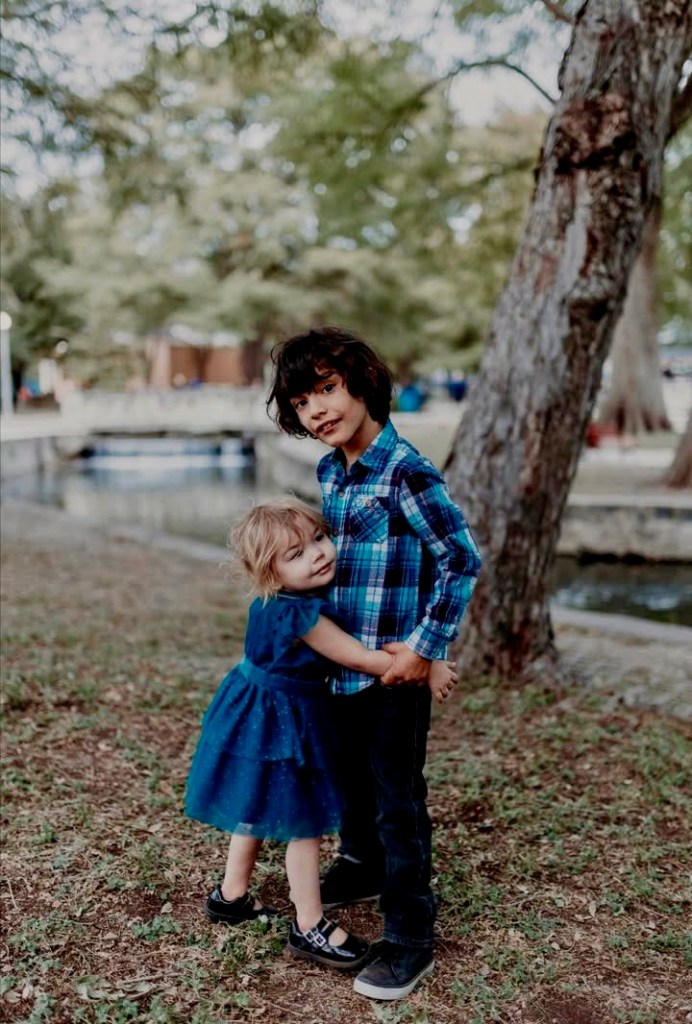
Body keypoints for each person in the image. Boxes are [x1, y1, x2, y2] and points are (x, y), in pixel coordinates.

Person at [268, 327, 482, 1000]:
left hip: (395, 671)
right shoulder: (332, 471)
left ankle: (411, 935)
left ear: (361, 382)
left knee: (396, 798)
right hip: (341, 662)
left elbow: (461, 561)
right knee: (351, 778)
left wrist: (425, 648)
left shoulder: (406, 472)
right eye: (303, 402)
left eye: (327, 389)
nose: (319, 410)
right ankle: (360, 864)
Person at [185, 497, 455, 973]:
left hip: (254, 710)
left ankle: (231, 895)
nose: (318, 553)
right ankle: (310, 924)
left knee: (256, 805)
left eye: (318, 538)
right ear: (270, 573)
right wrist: (427, 664)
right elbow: (358, 658)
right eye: (296, 554)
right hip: (285, 718)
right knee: (302, 822)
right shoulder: (303, 616)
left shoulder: (275, 602)